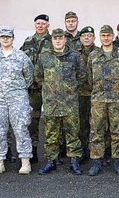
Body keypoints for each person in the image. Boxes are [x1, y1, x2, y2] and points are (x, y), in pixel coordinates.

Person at [36, 28, 85, 175]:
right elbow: (38, 77)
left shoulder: (75, 56)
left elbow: (82, 76)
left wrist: (70, 89)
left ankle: (74, 161)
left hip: (69, 103)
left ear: (65, 39)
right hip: (52, 103)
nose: (58, 40)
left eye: (60, 38)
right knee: (51, 134)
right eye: (55, 38)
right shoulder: (44, 56)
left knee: (73, 133)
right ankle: (51, 161)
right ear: (52, 40)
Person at [0, 27, 34, 175]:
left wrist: (17, 90)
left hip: (18, 99)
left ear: (13, 38)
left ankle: (25, 161)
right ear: (0, 39)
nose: (5, 39)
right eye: (3, 37)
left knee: (21, 129)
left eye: (8, 37)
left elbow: (29, 77)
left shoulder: (21, 56)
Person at [87, 25, 119, 176]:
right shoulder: (93, 56)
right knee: (97, 131)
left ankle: (118, 161)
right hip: (99, 99)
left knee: (117, 131)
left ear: (113, 37)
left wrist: (118, 89)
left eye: (108, 35)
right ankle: (96, 161)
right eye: (103, 35)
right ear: (100, 37)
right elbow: (89, 78)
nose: (106, 38)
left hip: (117, 100)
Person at [20, 14, 53, 163]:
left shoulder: (54, 41)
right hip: (33, 90)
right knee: (33, 121)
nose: (40, 26)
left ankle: (53, 153)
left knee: (51, 121)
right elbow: (21, 61)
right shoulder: (28, 42)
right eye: (38, 23)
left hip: (50, 88)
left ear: (48, 25)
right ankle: (33, 149)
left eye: (43, 23)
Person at [76, 26, 97, 163]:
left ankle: (101, 152)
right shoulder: (75, 54)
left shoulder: (99, 52)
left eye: (89, 35)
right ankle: (84, 150)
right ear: (80, 38)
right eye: (84, 36)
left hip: (97, 94)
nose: (87, 38)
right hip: (81, 93)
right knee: (82, 125)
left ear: (94, 38)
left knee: (99, 125)